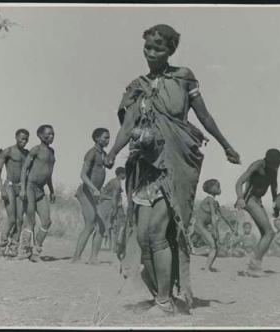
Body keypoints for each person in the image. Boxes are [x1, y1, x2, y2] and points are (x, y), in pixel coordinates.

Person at [105, 24, 241, 315]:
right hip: (145, 165)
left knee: (158, 233)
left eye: (159, 48)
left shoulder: (184, 78)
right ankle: (160, 293)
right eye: (148, 47)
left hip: (175, 162)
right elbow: (128, 125)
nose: (151, 52)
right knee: (143, 237)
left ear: (170, 51)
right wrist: (113, 152)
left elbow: (204, 114)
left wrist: (226, 145)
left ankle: (164, 301)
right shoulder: (137, 86)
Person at [234, 149, 280, 277]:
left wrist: (275, 207)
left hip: (257, 201)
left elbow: (274, 190)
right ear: (267, 160)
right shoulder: (258, 164)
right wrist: (240, 198)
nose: (275, 167)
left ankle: (253, 265)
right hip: (249, 199)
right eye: (273, 164)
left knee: (266, 234)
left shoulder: (274, 170)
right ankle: (253, 266)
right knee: (269, 233)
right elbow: (239, 182)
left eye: (277, 164)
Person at [70, 128, 110, 264]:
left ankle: (93, 258)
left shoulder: (103, 154)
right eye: (105, 138)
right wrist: (94, 189)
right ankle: (76, 258)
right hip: (86, 192)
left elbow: (109, 165)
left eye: (109, 138)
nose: (108, 140)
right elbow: (83, 175)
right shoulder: (91, 153)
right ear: (97, 139)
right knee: (90, 224)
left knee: (102, 226)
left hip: (96, 193)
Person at [17, 125, 56, 261]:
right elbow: (24, 169)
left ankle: (36, 251)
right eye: (48, 134)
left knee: (46, 221)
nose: (51, 136)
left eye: (52, 134)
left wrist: (51, 190)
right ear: (40, 135)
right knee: (31, 221)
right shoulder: (36, 150)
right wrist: (22, 189)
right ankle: (24, 251)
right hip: (30, 187)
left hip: (41, 190)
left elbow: (49, 173)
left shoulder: (52, 152)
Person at [0, 128, 30, 257]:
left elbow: (28, 173)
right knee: (12, 219)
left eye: (26, 139)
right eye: (22, 138)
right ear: (16, 137)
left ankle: (14, 247)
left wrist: (26, 189)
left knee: (20, 220)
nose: (24, 141)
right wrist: (1, 188)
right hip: (8, 186)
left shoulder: (27, 153)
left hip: (20, 188)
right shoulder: (8, 151)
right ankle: (1, 247)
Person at [193, 179, 237, 272]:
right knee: (213, 246)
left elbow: (223, 216)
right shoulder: (210, 200)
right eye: (218, 187)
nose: (220, 189)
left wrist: (231, 227)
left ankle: (208, 266)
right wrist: (215, 230)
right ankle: (206, 268)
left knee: (215, 247)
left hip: (202, 226)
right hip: (199, 226)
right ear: (211, 189)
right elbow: (213, 216)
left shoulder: (214, 202)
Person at [98, 167, 126, 252]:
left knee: (114, 225)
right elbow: (114, 196)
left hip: (111, 204)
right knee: (114, 225)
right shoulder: (116, 183)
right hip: (110, 204)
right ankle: (113, 246)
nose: (125, 175)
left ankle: (113, 246)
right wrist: (114, 209)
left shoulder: (115, 181)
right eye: (125, 174)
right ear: (121, 174)